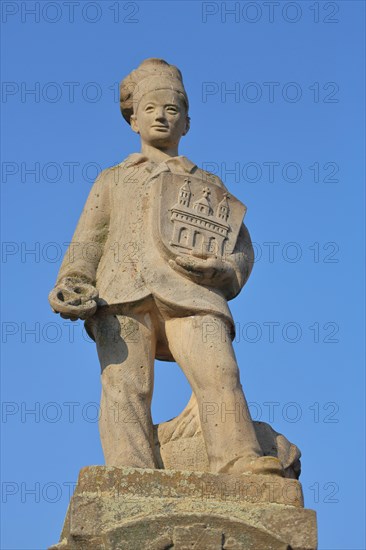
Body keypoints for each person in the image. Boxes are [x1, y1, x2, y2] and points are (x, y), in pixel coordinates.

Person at [49, 58, 283, 476]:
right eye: (152, 108)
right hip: (120, 292)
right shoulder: (112, 178)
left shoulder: (207, 183)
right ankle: (132, 470)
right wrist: (72, 281)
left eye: (172, 109)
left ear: (187, 123)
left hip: (194, 293)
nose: (161, 116)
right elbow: (88, 239)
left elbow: (241, 246)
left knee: (220, 372)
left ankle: (237, 459)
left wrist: (226, 270)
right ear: (133, 119)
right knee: (126, 386)